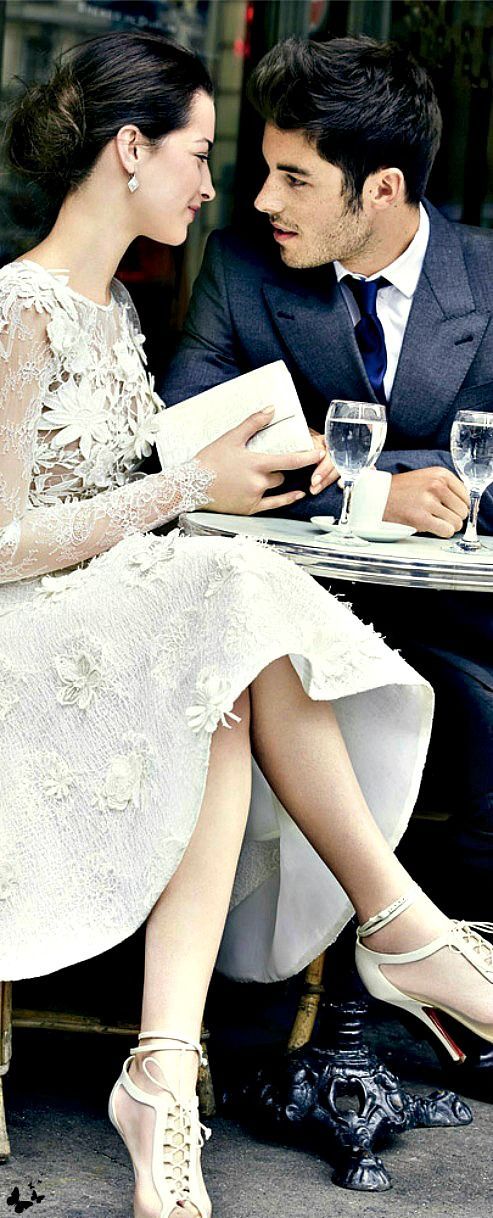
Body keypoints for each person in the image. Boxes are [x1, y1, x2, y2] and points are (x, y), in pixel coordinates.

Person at [0, 31, 492, 1218]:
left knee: (216, 658)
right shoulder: (20, 308)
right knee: (218, 598)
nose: (225, 190)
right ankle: (402, 924)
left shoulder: (118, 309)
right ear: (131, 151)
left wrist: (185, 491)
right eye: (203, 154)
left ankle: (163, 1074)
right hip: (26, 638)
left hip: (110, 619)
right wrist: (185, 487)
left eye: (273, 171)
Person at [162, 35, 493, 936]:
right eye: (266, 171)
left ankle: (428, 970)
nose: (262, 200)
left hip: (460, 620)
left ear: (381, 188)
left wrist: (355, 464)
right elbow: (190, 447)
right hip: (289, 612)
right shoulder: (240, 266)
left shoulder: (487, 279)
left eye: (295, 178)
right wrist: (374, 492)